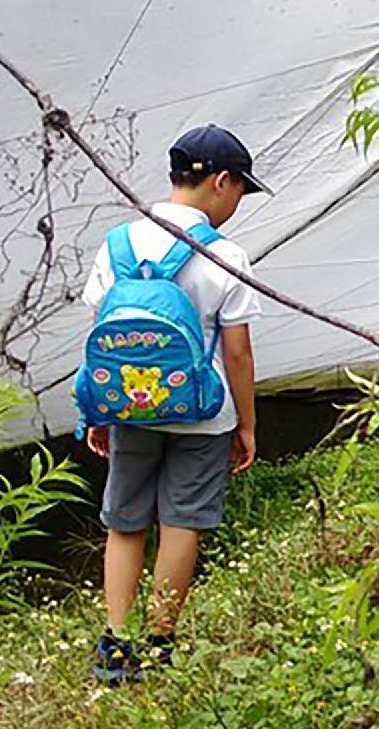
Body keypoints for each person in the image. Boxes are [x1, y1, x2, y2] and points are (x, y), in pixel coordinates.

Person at [80, 125, 264, 683]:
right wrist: (248, 426)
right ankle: (160, 644)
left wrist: (98, 410)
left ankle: (115, 645)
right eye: (240, 191)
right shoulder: (226, 255)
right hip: (203, 413)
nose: (237, 203)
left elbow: (100, 333)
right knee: (182, 521)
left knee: (126, 521)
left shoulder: (118, 244)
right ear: (222, 181)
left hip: (130, 407)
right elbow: (237, 355)